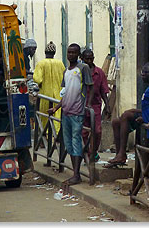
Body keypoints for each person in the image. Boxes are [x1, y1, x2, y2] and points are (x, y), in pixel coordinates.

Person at [108, 59, 149, 165]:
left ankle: (122, 154)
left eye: (146, 73)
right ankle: (120, 154)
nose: (143, 75)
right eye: (143, 72)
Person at [48, 43, 93, 185]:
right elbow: (65, 92)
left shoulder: (83, 68)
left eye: (74, 53)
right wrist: (56, 108)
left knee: (76, 141)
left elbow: (90, 87)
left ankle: (76, 174)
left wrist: (88, 104)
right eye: (69, 52)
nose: (71, 55)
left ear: (78, 55)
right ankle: (75, 173)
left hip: (78, 111)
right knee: (68, 143)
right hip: (66, 111)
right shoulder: (66, 71)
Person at [81, 49, 111, 161]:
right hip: (81, 105)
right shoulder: (79, 72)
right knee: (83, 132)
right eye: (86, 59)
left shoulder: (99, 73)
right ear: (82, 59)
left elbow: (103, 90)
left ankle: (93, 152)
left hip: (95, 106)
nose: (89, 61)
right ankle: (88, 153)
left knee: (97, 131)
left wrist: (107, 105)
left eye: (91, 58)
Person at [33, 41, 66, 134]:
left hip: (45, 95)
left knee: (44, 116)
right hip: (58, 95)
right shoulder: (60, 64)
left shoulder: (41, 63)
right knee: (57, 116)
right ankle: (56, 135)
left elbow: (37, 79)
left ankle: (46, 136)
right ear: (54, 53)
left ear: (45, 52)